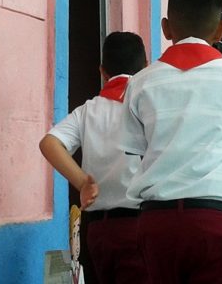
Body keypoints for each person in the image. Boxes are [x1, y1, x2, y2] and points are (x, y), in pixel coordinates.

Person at [120, 0, 222, 284]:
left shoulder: (139, 83)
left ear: (166, 28)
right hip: (217, 222)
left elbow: (135, 156)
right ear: (220, 29)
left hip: (156, 224)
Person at [39, 32, 149, 284]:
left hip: (99, 231)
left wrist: (82, 182)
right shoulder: (149, 105)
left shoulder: (88, 110)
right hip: (141, 226)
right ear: (145, 67)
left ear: (102, 71)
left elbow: (49, 143)